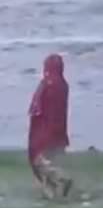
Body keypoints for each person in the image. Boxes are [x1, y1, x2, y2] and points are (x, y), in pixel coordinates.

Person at [28, 54, 72, 200]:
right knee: (49, 160)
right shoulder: (63, 85)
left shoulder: (48, 85)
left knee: (39, 161)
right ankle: (51, 195)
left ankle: (62, 178)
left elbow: (40, 109)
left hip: (45, 129)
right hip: (60, 128)